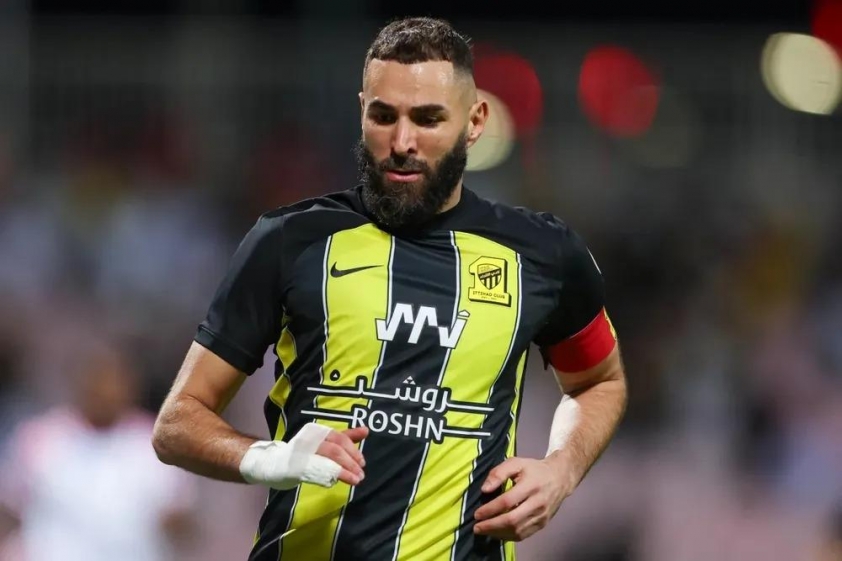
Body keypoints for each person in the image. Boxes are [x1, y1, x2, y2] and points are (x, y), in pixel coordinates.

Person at [152, 16, 628, 561]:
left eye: (427, 119)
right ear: (362, 112)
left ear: (475, 122)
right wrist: (270, 458)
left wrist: (562, 470)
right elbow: (177, 422)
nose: (402, 142)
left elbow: (599, 382)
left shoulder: (542, 254)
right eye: (384, 116)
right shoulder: (290, 241)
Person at [0, 346, 197, 561]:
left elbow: (180, 516)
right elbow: (10, 505)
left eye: (112, 381)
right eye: (95, 380)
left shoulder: (157, 445)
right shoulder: (42, 438)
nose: (104, 391)